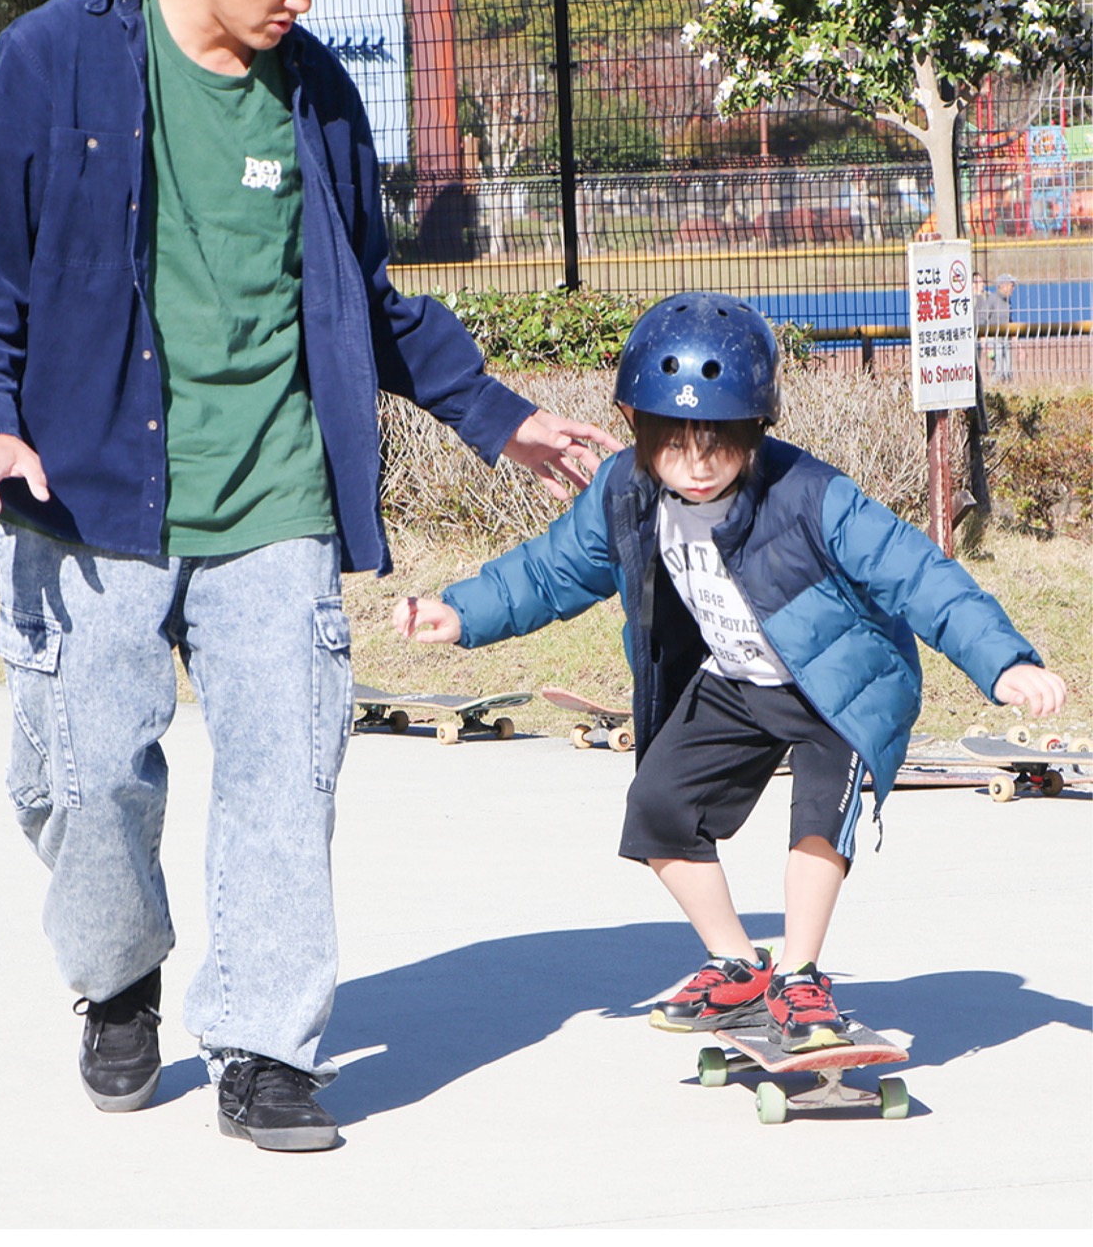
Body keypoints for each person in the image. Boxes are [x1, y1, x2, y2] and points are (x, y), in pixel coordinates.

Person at [0, 0, 620, 1154]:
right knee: (82, 787)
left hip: (273, 497)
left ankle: (265, 1043)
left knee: (287, 776)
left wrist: (498, 414)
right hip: (87, 495)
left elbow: (369, 298)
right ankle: (120, 971)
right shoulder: (53, 59)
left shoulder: (316, 100)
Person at [394, 292, 1066, 1052]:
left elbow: (917, 574)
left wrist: (1002, 661)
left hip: (838, 686)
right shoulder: (625, 491)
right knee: (657, 808)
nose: (697, 469)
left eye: (718, 449)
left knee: (817, 820)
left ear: (756, 431)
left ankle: (803, 977)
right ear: (637, 431)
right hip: (739, 678)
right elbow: (549, 572)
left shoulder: (810, 495)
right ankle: (740, 965)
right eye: (674, 449)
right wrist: (461, 612)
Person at [975, 270, 1016, 382]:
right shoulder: (992, 299)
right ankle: (993, 389)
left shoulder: (1008, 302)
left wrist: (1017, 341)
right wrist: (984, 343)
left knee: (1007, 370)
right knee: (999, 369)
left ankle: (1006, 390)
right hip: (994, 339)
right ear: (1003, 286)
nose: (1013, 288)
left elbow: (1009, 320)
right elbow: (982, 319)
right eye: (1011, 285)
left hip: (1005, 338)